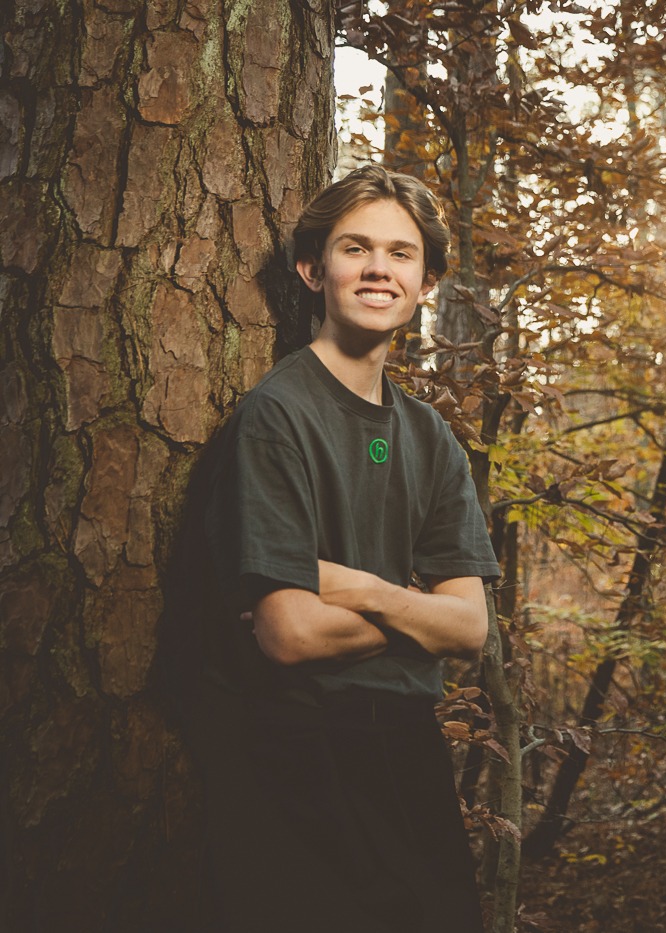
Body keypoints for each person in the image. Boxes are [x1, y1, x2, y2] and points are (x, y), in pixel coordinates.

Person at [190, 164, 499, 932]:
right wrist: (417, 609)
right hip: (299, 754)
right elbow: (290, 634)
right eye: (355, 247)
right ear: (312, 269)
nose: (377, 269)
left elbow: (471, 628)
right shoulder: (276, 415)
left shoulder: (429, 437)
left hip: (410, 753)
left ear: (425, 282)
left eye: (401, 253)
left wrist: (359, 588)